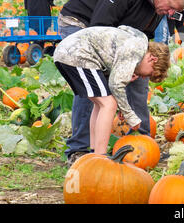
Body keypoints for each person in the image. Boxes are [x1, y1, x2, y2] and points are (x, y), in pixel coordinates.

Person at [57, 0, 184, 165]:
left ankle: (142, 142)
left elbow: (142, 37)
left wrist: (135, 69)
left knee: (140, 81)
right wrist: (116, 69)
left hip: (115, 37)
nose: (169, 13)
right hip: (81, 24)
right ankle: (79, 148)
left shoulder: (157, 6)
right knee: (94, 87)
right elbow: (100, 23)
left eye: (174, 12)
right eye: (171, 7)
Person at [54, 25, 170, 154]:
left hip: (68, 52)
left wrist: (122, 104)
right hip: (78, 55)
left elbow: (123, 28)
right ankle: (100, 156)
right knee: (108, 104)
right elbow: (116, 85)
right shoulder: (136, 50)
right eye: (148, 74)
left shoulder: (137, 41)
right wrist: (130, 116)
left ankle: (94, 152)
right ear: (152, 59)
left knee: (100, 103)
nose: (143, 77)